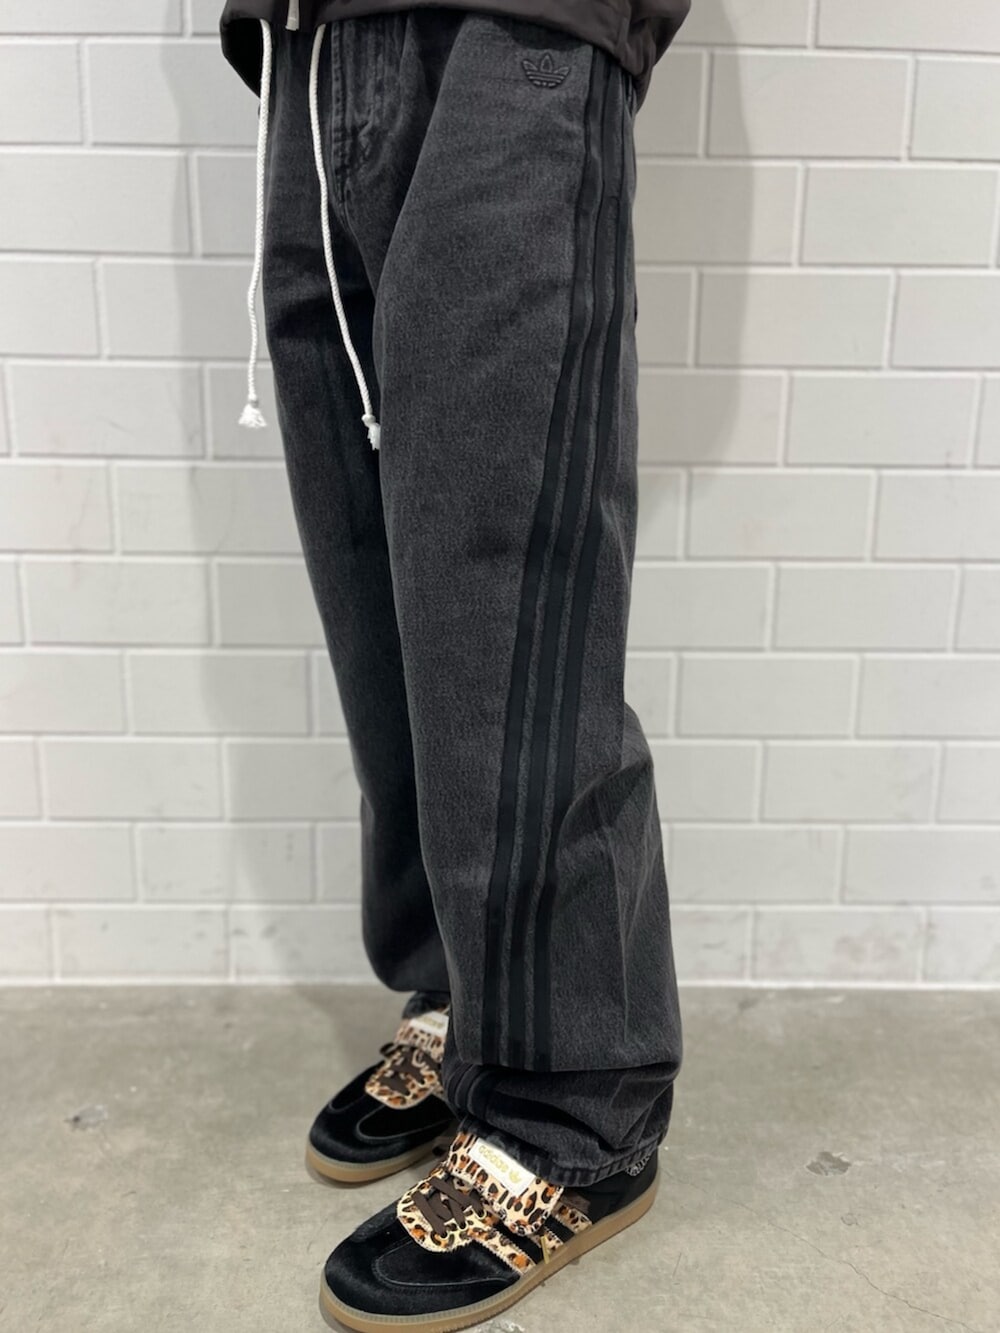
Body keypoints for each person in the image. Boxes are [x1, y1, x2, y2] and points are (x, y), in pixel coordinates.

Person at [219, 1, 688, 1327]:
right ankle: (464, 993)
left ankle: (570, 1104)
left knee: (509, 580)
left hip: (515, 22)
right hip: (309, 44)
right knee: (380, 591)